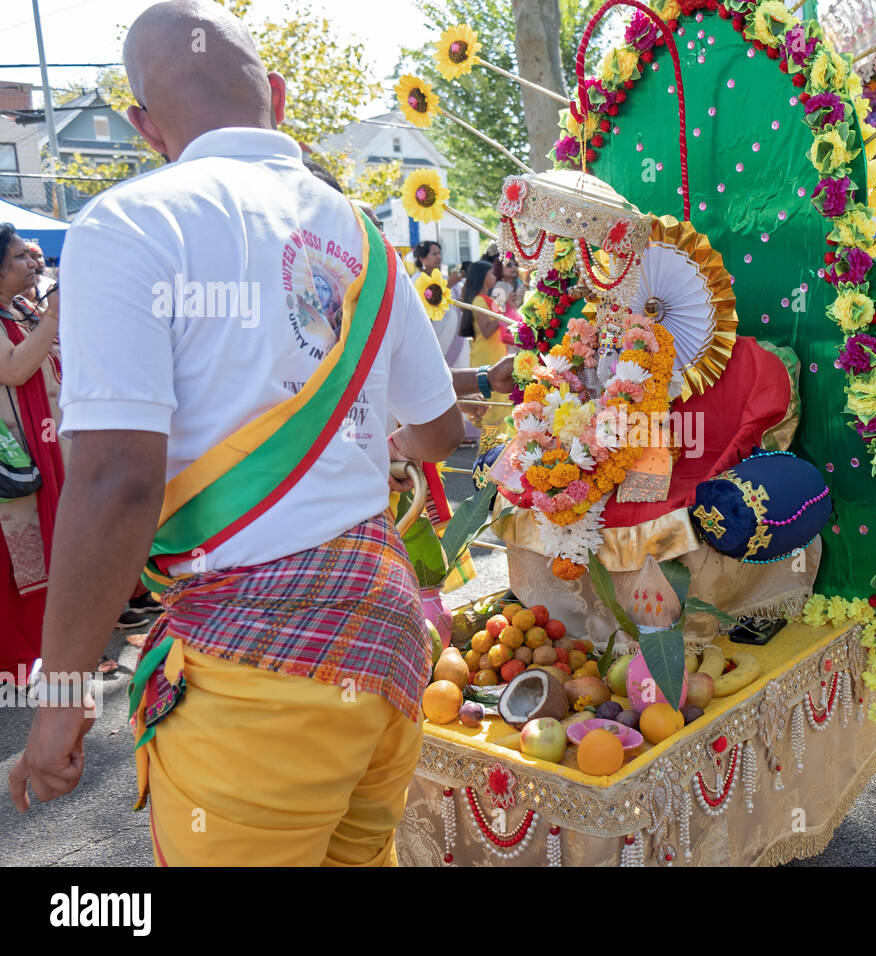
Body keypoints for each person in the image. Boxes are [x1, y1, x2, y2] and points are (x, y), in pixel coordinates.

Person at [6, 0, 470, 867]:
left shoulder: (129, 223)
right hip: (387, 643)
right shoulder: (366, 237)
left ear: (144, 127)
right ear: (282, 98)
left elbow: (117, 482)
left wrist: (63, 696)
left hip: (261, 672)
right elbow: (440, 431)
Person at [0, 225, 63, 689]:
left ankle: (44, 645)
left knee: (50, 539)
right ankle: (15, 655)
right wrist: (55, 317)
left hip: (47, 445)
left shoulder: (23, 307)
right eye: (22, 257)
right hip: (14, 456)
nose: (34, 264)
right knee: (15, 555)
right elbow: (16, 369)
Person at [459, 259, 509, 430]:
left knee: (500, 405)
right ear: (482, 277)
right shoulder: (479, 301)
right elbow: (487, 331)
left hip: (496, 353)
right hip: (487, 356)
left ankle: (496, 451)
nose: (495, 276)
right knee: (490, 409)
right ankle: (489, 452)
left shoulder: (487, 299)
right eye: (491, 273)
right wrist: (503, 314)